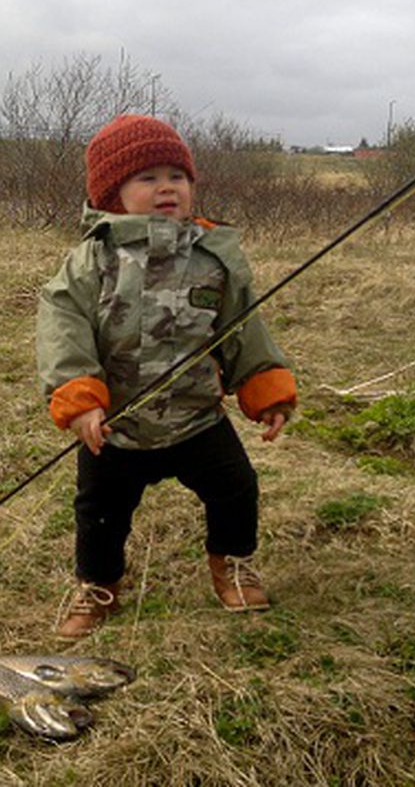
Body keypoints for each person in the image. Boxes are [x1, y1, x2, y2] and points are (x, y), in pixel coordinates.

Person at [36, 114, 297, 640]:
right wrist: (80, 397)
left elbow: (242, 327)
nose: (166, 188)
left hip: (196, 418)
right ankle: (99, 586)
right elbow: (62, 325)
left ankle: (233, 565)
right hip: (117, 428)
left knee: (237, 488)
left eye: (176, 176)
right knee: (99, 512)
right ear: (114, 193)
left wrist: (265, 386)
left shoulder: (215, 258)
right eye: (147, 178)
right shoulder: (93, 258)